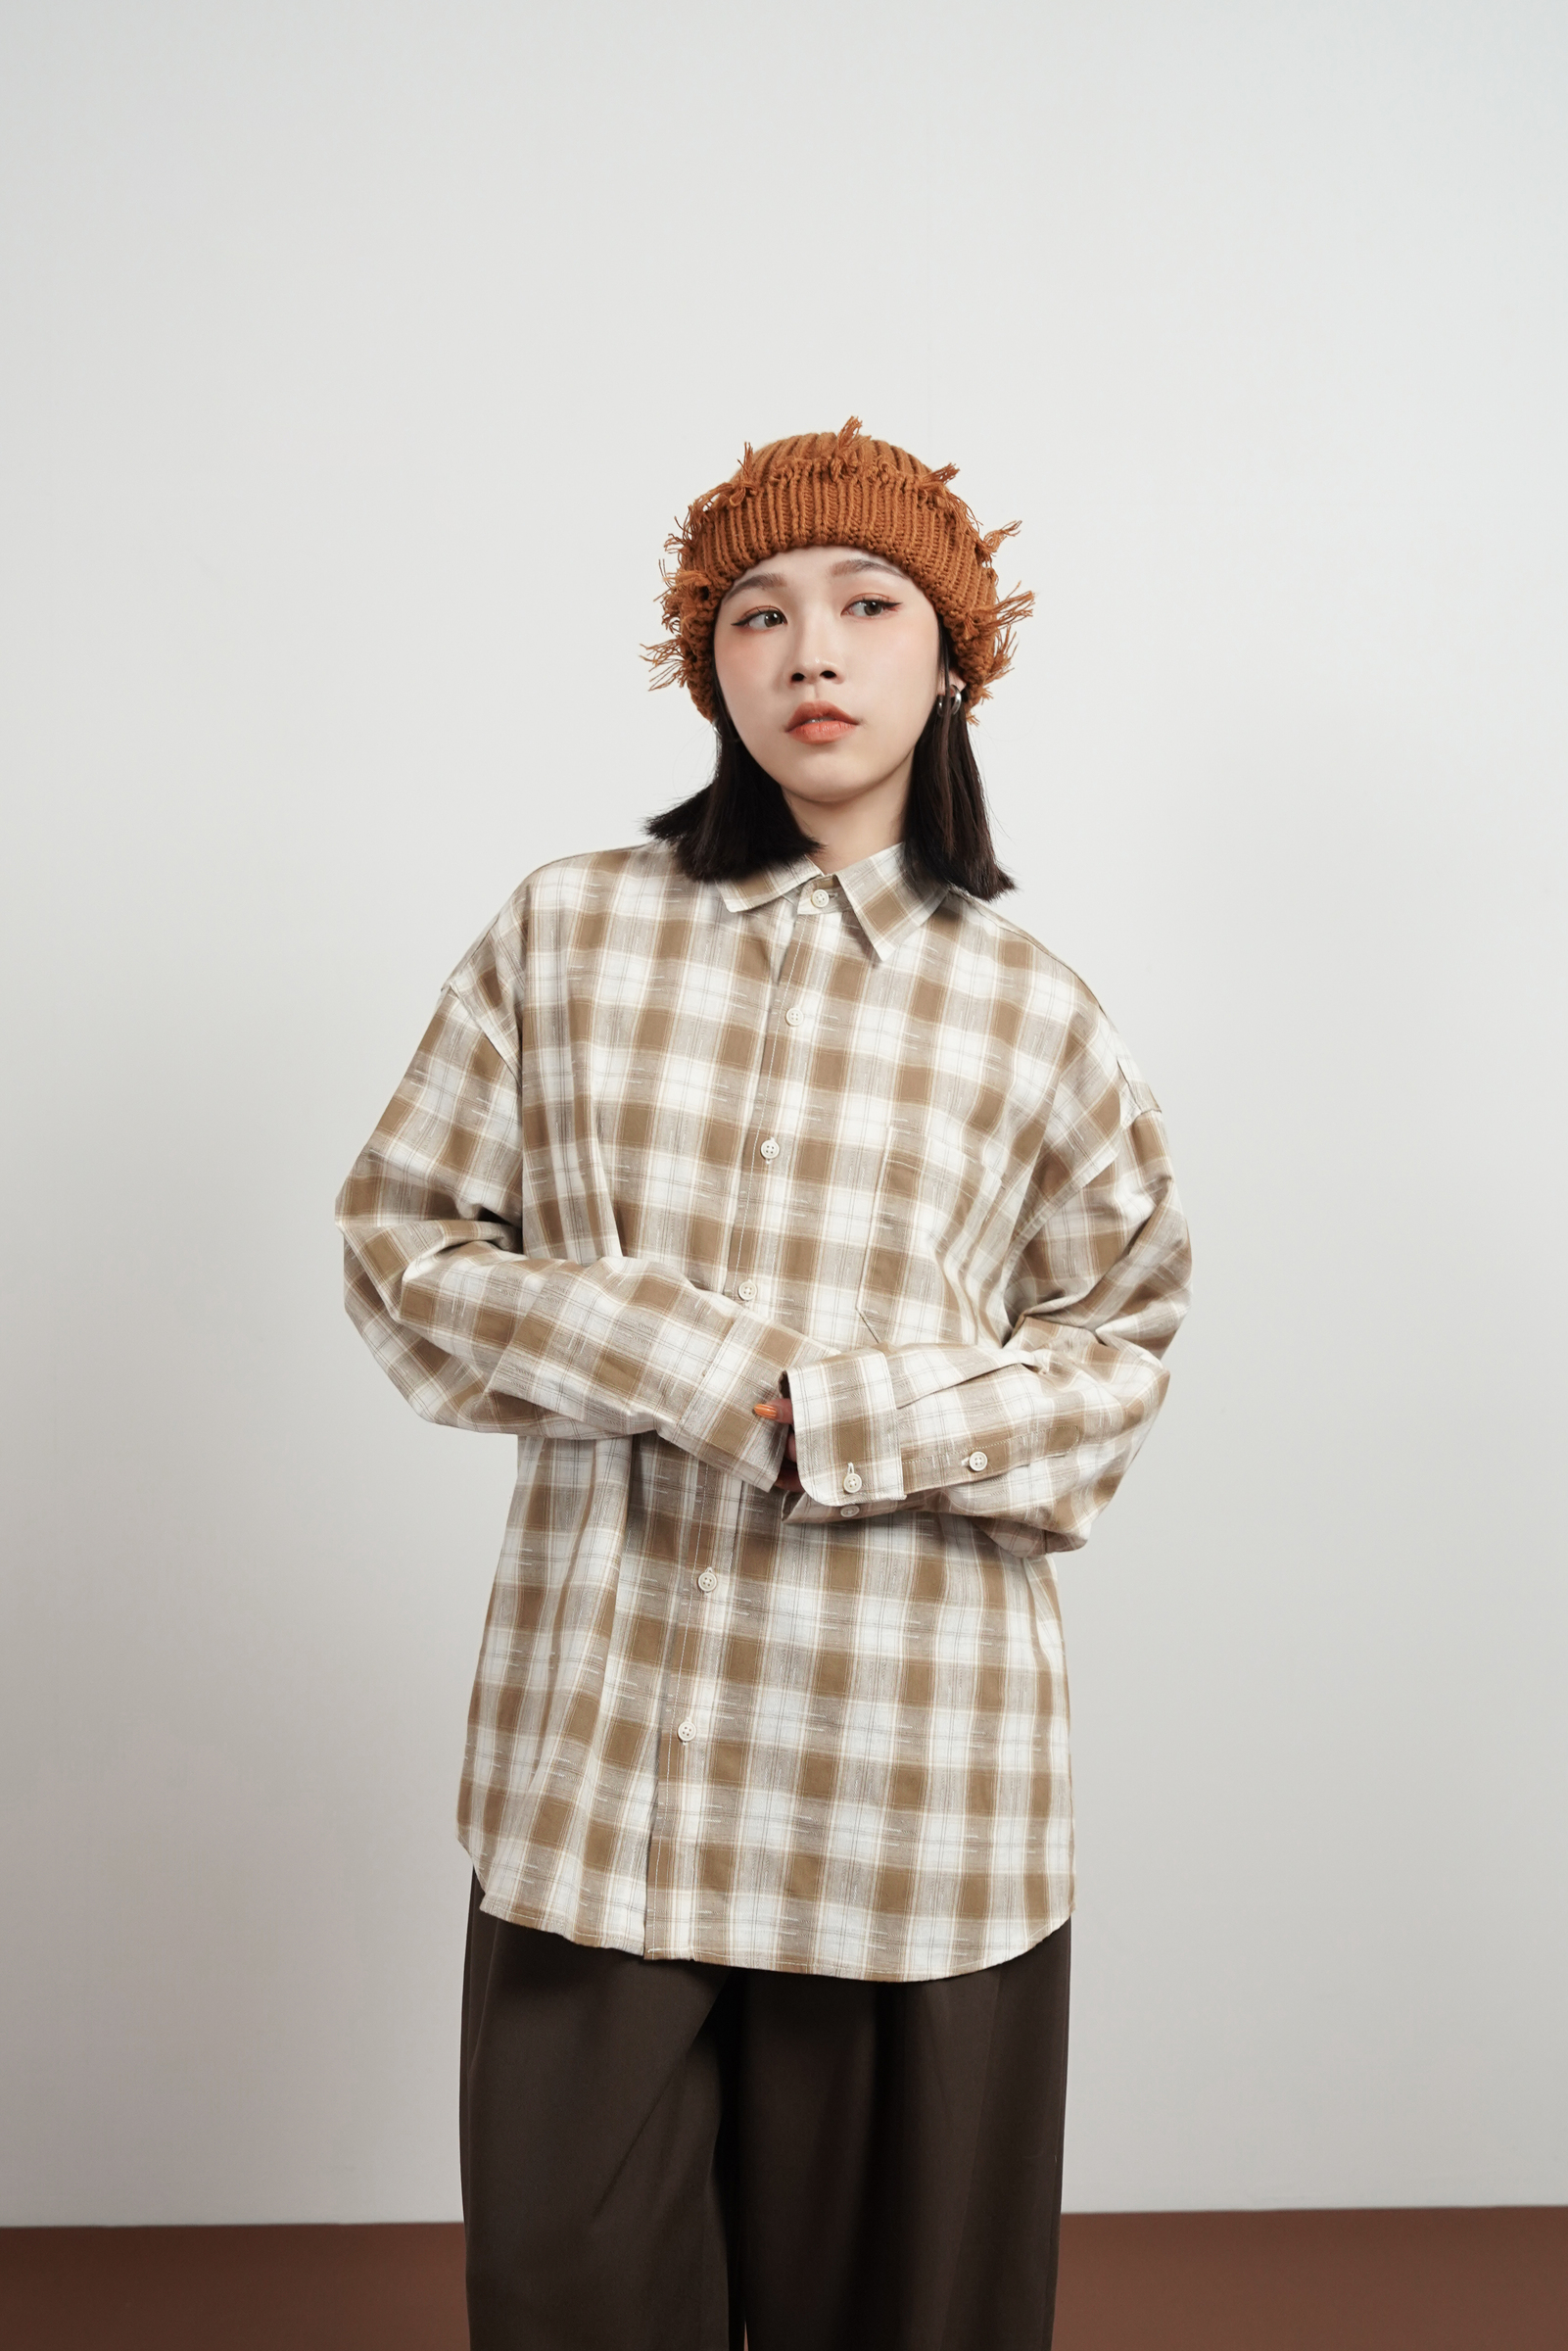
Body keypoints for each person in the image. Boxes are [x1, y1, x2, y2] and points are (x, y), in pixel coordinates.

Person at [336, 419, 1191, 2351]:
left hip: (917, 1783)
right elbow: (403, 1250)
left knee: (908, 2312)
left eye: (868, 606)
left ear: (950, 658)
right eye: (757, 615)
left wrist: (845, 1427)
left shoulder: (1037, 1014)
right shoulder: (564, 932)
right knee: (569, 2292)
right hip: (601, 1761)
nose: (812, 651)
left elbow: (1115, 1360)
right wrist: (697, 1366)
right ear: (707, 668)